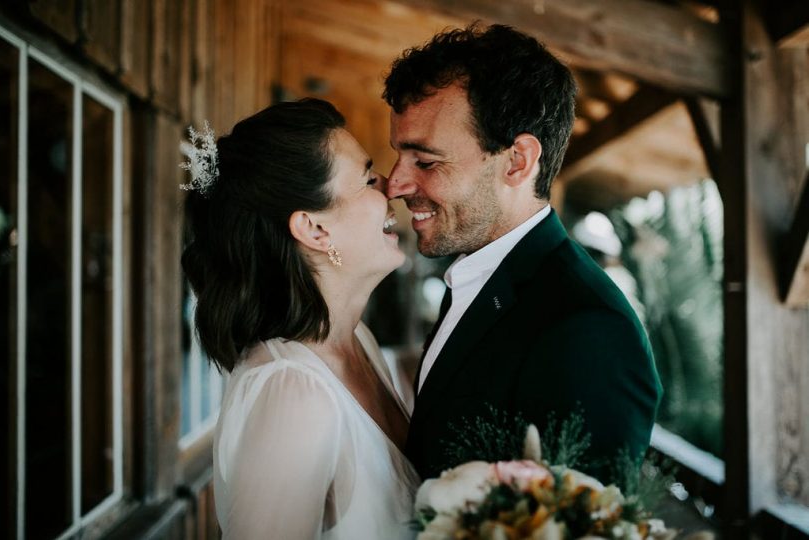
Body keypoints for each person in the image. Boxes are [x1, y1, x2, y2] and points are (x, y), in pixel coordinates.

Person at [383, 24, 662, 483]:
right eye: (399, 156)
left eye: (426, 161)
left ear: (516, 161)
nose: (396, 184)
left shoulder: (588, 330)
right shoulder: (476, 276)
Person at [181, 99, 419, 539]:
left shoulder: (357, 342)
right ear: (314, 229)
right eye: (368, 178)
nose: (391, 187)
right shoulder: (292, 391)